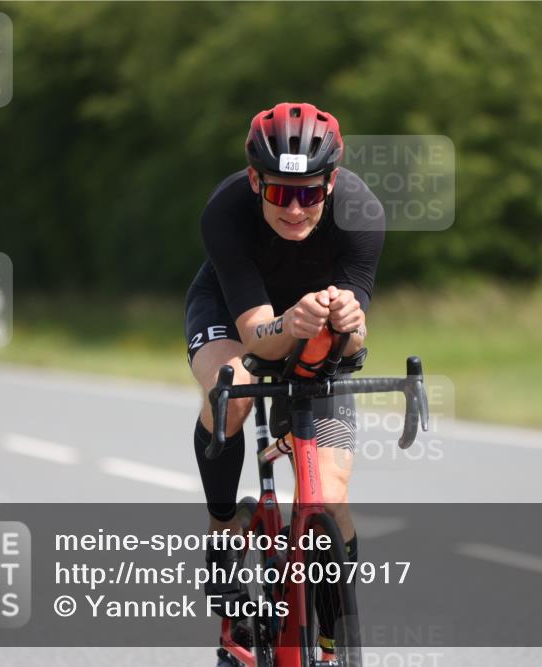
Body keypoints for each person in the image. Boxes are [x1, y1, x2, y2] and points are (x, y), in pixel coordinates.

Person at [184, 102, 385, 664]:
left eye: (310, 193)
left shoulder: (361, 213)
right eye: (279, 193)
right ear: (254, 181)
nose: (295, 209)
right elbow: (257, 338)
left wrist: (349, 325)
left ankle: (331, 636)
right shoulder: (225, 212)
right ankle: (224, 522)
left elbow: (355, 343)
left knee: (330, 497)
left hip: (312, 322)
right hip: (234, 310)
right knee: (230, 388)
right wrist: (290, 320)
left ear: (332, 182)